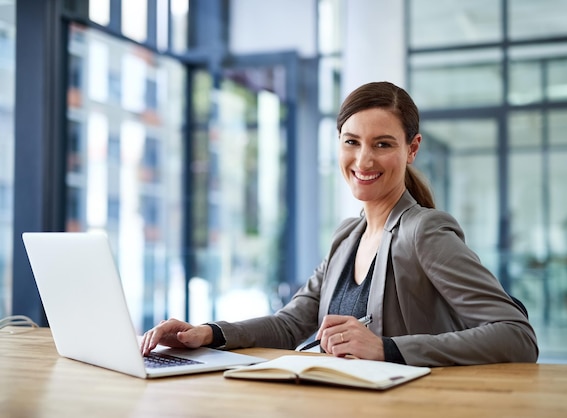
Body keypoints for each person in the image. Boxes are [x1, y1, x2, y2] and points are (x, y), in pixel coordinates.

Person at [141, 81, 538, 366]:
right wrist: (209, 333)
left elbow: (517, 335)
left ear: (412, 149)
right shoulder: (348, 235)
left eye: (383, 144)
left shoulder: (425, 231)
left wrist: (388, 349)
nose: (363, 161)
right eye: (351, 141)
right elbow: (291, 323)